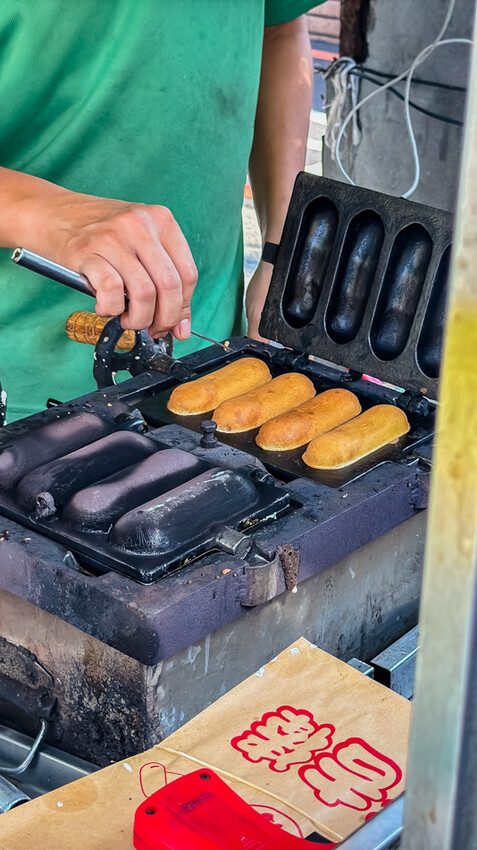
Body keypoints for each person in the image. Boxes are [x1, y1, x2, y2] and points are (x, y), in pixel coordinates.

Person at [0, 1, 317, 421]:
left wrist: (282, 249)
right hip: (23, 384)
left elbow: (278, 29)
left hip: (212, 362)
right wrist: (51, 216)